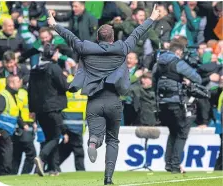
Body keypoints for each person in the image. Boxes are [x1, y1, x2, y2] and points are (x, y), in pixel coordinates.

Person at [48, 5, 160, 185]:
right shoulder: (122, 48)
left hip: (93, 101)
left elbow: (70, 37)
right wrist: (152, 17)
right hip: (114, 101)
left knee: (96, 135)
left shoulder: (85, 47)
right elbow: (137, 33)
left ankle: (93, 142)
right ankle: (108, 179)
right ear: (113, 38)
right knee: (113, 140)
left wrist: (54, 24)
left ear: (97, 38)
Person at [152, 39, 202, 173]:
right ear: (178, 51)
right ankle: (175, 165)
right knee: (182, 133)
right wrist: (184, 80)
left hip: (162, 104)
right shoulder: (178, 63)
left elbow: (153, 82)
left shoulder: (157, 64)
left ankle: (168, 163)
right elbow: (197, 78)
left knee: (173, 132)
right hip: (176, 103)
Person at [28, 43, 70, 177]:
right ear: (52, 54)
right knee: (56, 137)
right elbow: (64, 86)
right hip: (53, 108)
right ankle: (41, 158)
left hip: (40, 110)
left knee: (50, 138)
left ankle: (53, 169)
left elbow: (30, 91)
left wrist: (32, 110)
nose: (58, 55)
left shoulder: (34, 69)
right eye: (56, 53)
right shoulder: (54, 68)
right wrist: (68, 78)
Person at [0, 75, 23, 176]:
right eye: (17, 81)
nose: (20, 83)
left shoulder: (13, 96)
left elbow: (16, 115)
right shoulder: (3, 96)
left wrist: (22, 125)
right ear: (11, 84)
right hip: (1, 130)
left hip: (6, 131)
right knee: (7, 154)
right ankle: (5, 175)